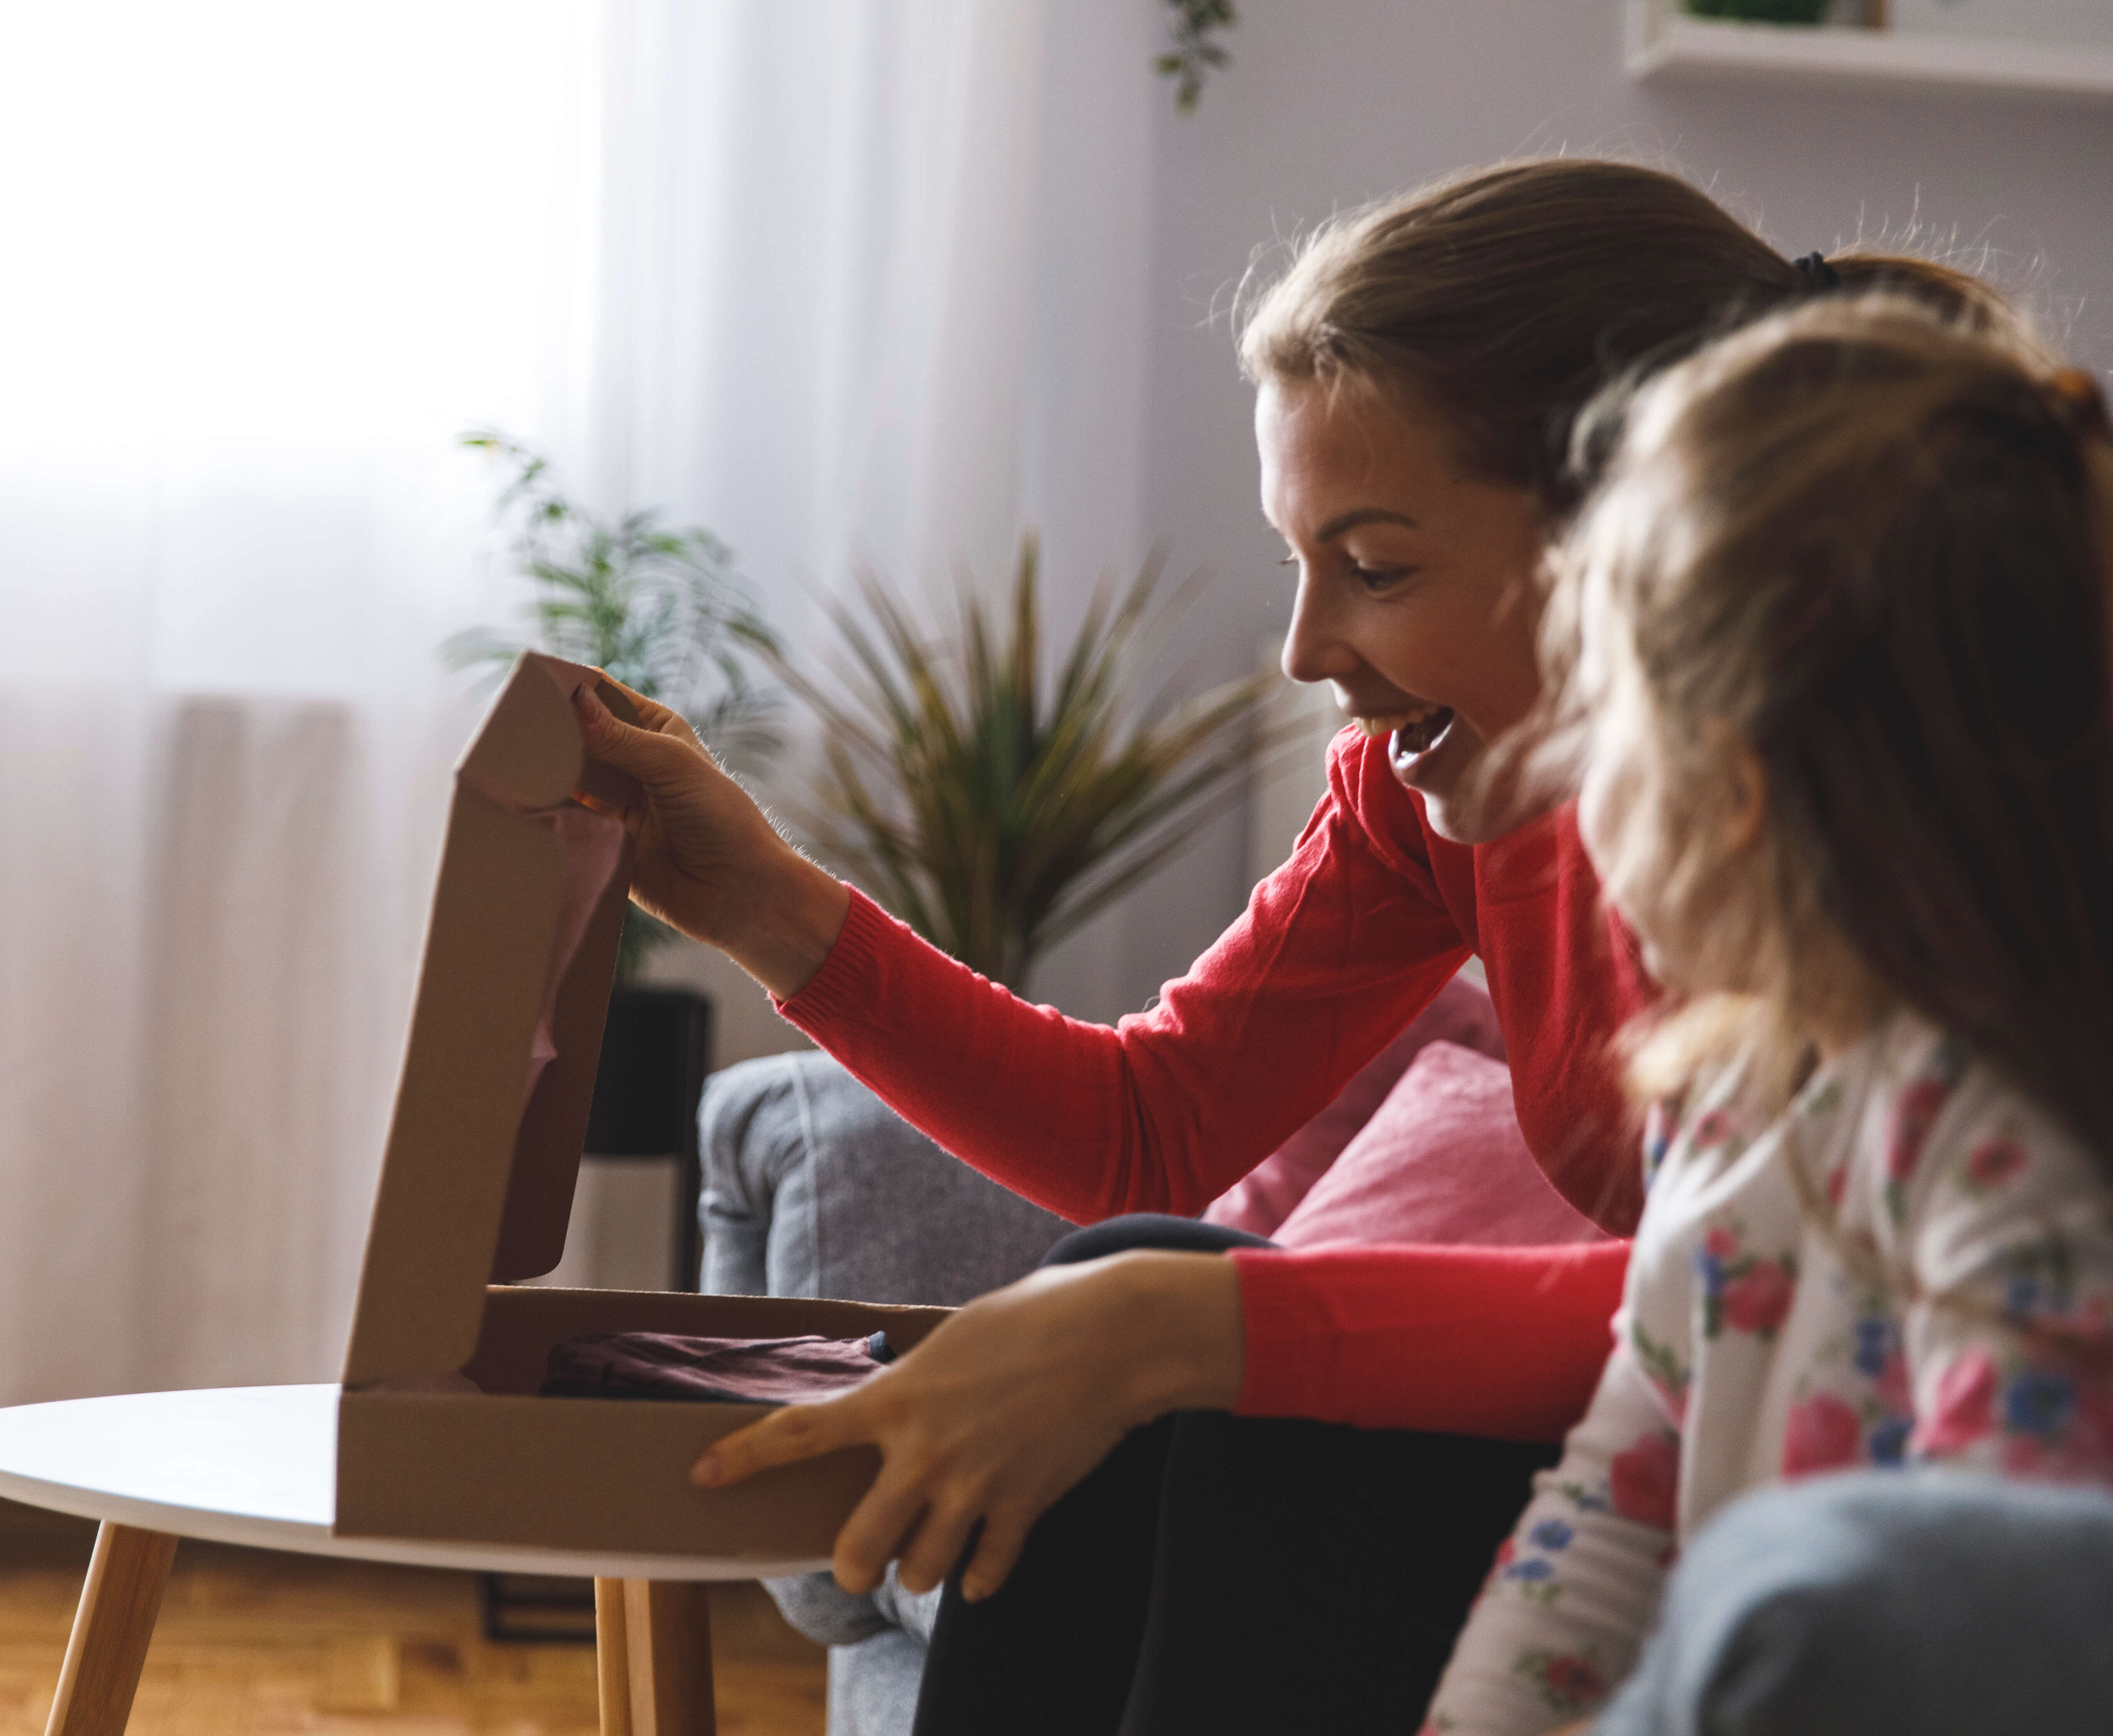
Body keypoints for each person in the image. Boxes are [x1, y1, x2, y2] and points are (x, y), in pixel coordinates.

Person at [572, 159, 2027, 1733]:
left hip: (1860, 1474)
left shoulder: (1874, 803)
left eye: (1379, 566)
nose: (1304, 650)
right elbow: (1153, 1128)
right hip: (1667, 1446)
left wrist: (1200, 1327)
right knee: (1150, 1296)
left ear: (1649, 536)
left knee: (1244, 1399)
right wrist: (759, 903)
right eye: (1303, 559)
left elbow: (1787, 1299)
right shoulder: (1441, 788)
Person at [1427, 298, 2113, 1735]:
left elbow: (1988, 1614)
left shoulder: (2008, 1144)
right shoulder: (1728, 1106)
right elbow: (1609, 1509)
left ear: (1729, 794)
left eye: (1603, 737)